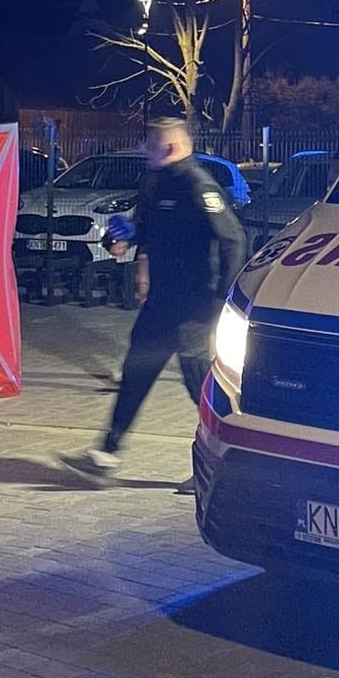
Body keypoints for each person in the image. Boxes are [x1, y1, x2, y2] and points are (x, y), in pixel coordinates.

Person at [61, 118, 246, 490]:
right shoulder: (156, 183)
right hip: (162, 304)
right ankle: (105, 454)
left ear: (171, 148)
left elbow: (234, 240)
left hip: (193, 307)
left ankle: (226, 465)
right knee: (136, 374)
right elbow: (150, 228)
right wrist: (124, 238)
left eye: (150, 145)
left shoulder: (198, 185)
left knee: (201, 388)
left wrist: (221, 298)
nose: (144, 150)